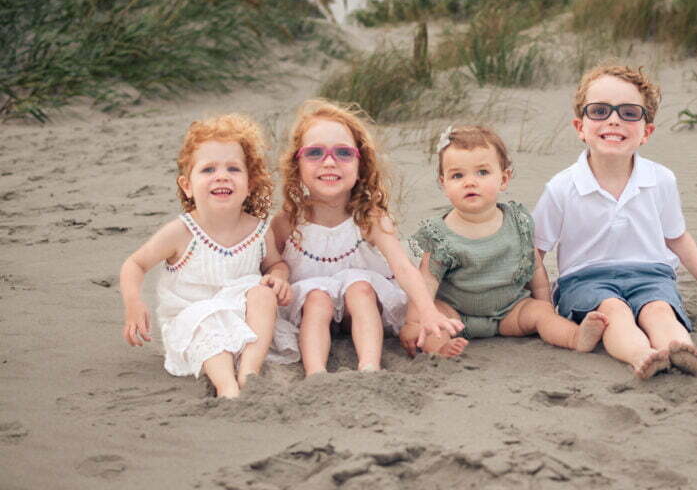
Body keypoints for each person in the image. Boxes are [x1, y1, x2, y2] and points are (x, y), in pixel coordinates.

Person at [533, 64, 697, 379]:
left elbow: (676, 237)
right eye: (599, 111)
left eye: (628, 113)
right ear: (580, 127)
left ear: (646, 132)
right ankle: (642, 354)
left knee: (659, 310)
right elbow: (536, 249)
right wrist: (542, 303)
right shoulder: (562, 187)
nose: (613, 119)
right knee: (614, 313)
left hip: (651, 274)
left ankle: (679, 348)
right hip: (586, 279)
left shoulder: (660, 179)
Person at [270, 99, 464, 375]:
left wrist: (427, 310)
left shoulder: (368, 216)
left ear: (361, 164)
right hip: (310, 310)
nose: (329, 162)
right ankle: (316, 374)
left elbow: (402, 267)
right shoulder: (287, 221)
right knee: (316, 297)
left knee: (359, 287)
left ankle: (369, 367)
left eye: (343, 153)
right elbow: (270, 265)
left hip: (362, 308)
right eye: (314, 152)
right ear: (296, 164)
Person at [119, 114, 292, 398]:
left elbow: (276, 263)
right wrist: (133, 302)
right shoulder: (181, 232)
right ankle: (227, 387)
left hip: (245, 323)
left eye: (233, 169)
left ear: (250, 184)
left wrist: (278, 278)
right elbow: (135, 264)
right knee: (208, 321)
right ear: (187, 185)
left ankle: (250, 371)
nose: (221, 175)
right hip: (194, 323)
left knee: (262, 294)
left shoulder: (259, 231)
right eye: (208, 169)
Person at [399, 125, 608, 357]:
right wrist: (413, 323)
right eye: (457, 175)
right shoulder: (440, 235)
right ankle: (441, 348)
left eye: (482, 172)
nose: (470, 182)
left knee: (541, 314)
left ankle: (575, 337)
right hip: (455, 312)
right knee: (436, 319)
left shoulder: (517, 222)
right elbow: (426, 283)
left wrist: (545, 304)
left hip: (510, 310)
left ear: (504, 178)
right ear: (444, 184)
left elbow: (535, 268)